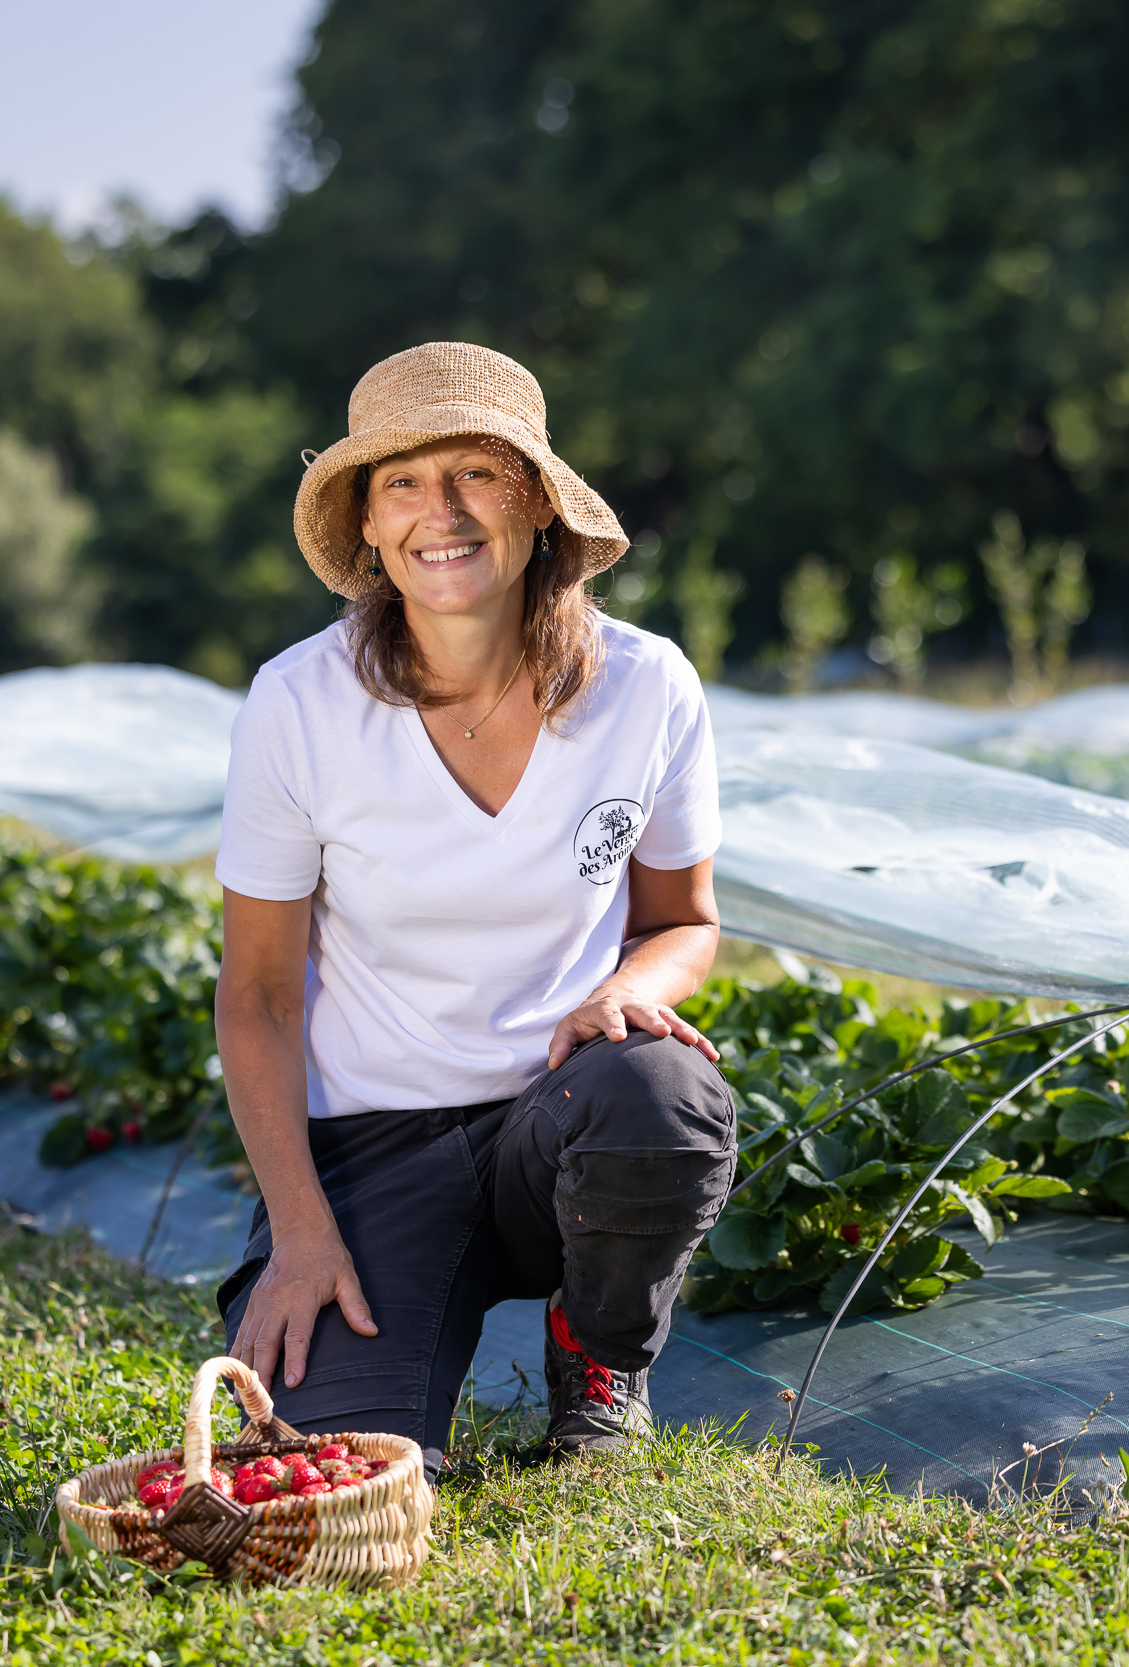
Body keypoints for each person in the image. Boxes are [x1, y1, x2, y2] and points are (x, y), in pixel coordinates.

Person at [212, 342, 735, 1478]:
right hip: (369, 1149)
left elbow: (683, 922)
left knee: (659, 1093)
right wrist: (300, 1232)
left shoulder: (646, 687)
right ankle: (377, 1318)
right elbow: (254, 996)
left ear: (538, 505)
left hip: (557, 1117)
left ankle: (593, 1350)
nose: (438, 512)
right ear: (367, 520)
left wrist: (622, 993)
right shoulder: (300, 703)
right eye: (403, 480)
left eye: (476, 475)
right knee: (335, 1460)